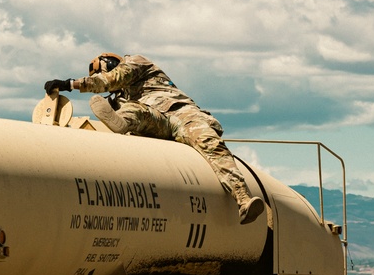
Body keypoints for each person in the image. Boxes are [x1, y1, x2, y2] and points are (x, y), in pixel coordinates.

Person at [45, 53, 265, 225]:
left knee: (210, 145)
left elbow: (111, 80)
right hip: (156, 120)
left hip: (180, 113)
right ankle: (122, 123)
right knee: (134, 111)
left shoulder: (136, 62)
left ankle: (243, 199)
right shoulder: (125, 98)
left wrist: (70, 84)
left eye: (99, 71)